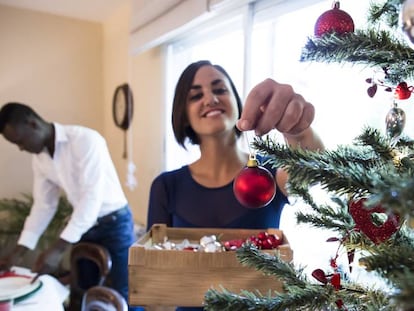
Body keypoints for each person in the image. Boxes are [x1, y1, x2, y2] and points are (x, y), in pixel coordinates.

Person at [147, 60, 324, 310]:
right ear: (183, 115)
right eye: (196, 95)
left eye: (219, 90)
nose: (210, 99)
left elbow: (313, 169)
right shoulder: (166, 186)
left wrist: (298, 131)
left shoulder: (268, 174)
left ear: (238, 103)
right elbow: (154, 283)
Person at [0, 103, 138, 311]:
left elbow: (91, 199)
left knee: (125, 293)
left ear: (32, 124)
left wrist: (57, 249)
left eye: (20, 141)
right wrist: (19, 251)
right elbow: (44, 206)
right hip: (84, 227)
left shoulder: (86, 140)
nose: (21, 148)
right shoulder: (40, 159)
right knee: (84, 293)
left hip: (115, 224)